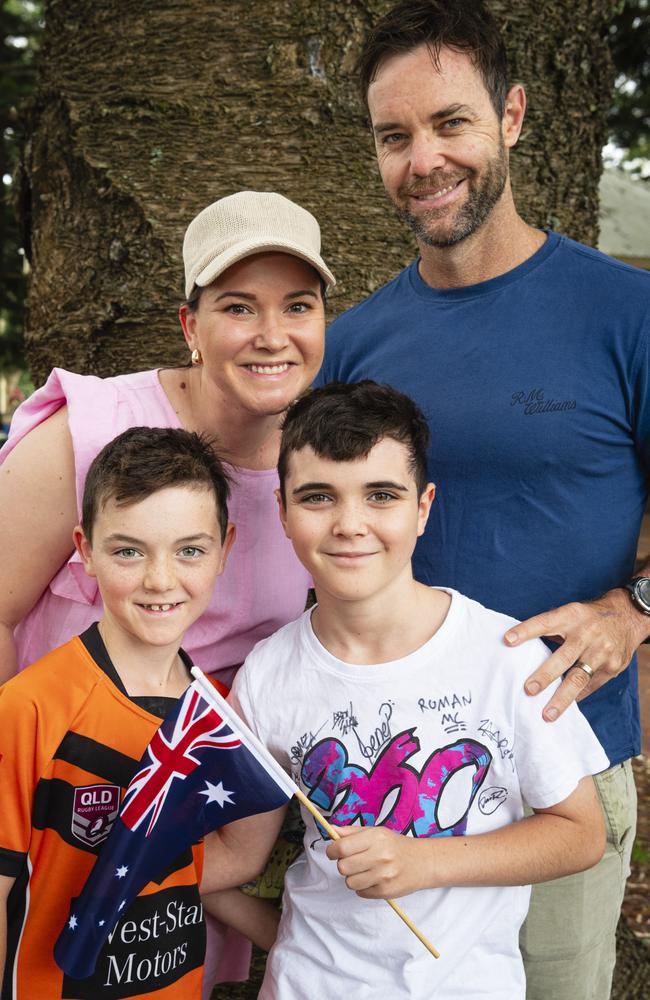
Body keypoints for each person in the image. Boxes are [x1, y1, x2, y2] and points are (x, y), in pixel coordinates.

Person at [315, 3, 650, 995]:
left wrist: (632, 611)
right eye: (393, 136)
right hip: (389, 778)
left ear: (509, 116)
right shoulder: (351, 345)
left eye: (448, 123)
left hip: (563, 779)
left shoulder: (621, 311)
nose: (422, 160)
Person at [0, 189, 334, 993]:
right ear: (190, 325)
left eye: (298, 305)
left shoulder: (323, 472)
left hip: (191, 828)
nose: (271, 334)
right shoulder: (87, 433)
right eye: (237, 307)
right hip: (51, 810)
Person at [201, 380, 608, 999]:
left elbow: (581, 833)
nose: (349, 524)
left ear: (423, 507)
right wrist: (95, 859)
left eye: (381, 496)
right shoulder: (268, 673)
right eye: (317, 498)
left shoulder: (504, 657)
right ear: (282, 511)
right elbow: (238, 856)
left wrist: (425, 862)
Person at [0, 427, 280, 999]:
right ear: (85, 549)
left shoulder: (216, 717)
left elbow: (216, 859)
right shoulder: (31, 707)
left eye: (190, 551)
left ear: (224, 549)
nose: (160, 580)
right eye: (129, 550)